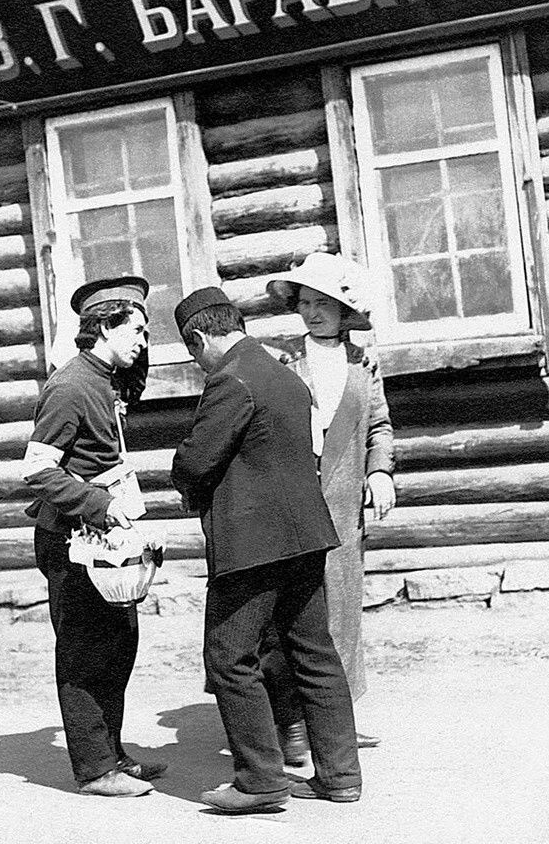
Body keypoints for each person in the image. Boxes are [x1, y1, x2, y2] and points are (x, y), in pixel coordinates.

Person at [170, 286, 362, 813]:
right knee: (314, 654)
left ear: (200, 338)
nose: (198, 364)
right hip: (306, 537)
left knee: (230, 657)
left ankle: (259, 782)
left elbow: (196, 461)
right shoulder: (284, 375)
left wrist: (182, 475)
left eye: (193, 353)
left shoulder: (230, 379)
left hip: (253, 543)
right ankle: (341, 777)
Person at [21, 276, 166, 798]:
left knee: (119, 645)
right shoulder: (70, 386)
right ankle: (94, 769)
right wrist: (101, 505)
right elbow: (37, 470)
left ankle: (113, 753)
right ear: (104, 327)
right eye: (137, 330)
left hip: (103, 540)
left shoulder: (106, 381)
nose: (144, 341)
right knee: (84, 652)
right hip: (70, 541)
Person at [263, 252, 395, 763]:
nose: (313, 312)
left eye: (323, 303)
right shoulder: (282, 361)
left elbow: (379, 426)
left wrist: (379, 471)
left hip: (342, 507)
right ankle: (293, 722)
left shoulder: (364, 362)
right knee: (291, 611)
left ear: (344, 310)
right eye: (305, 303)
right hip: (294, 502)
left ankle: (338, 719)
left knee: (341, 610)